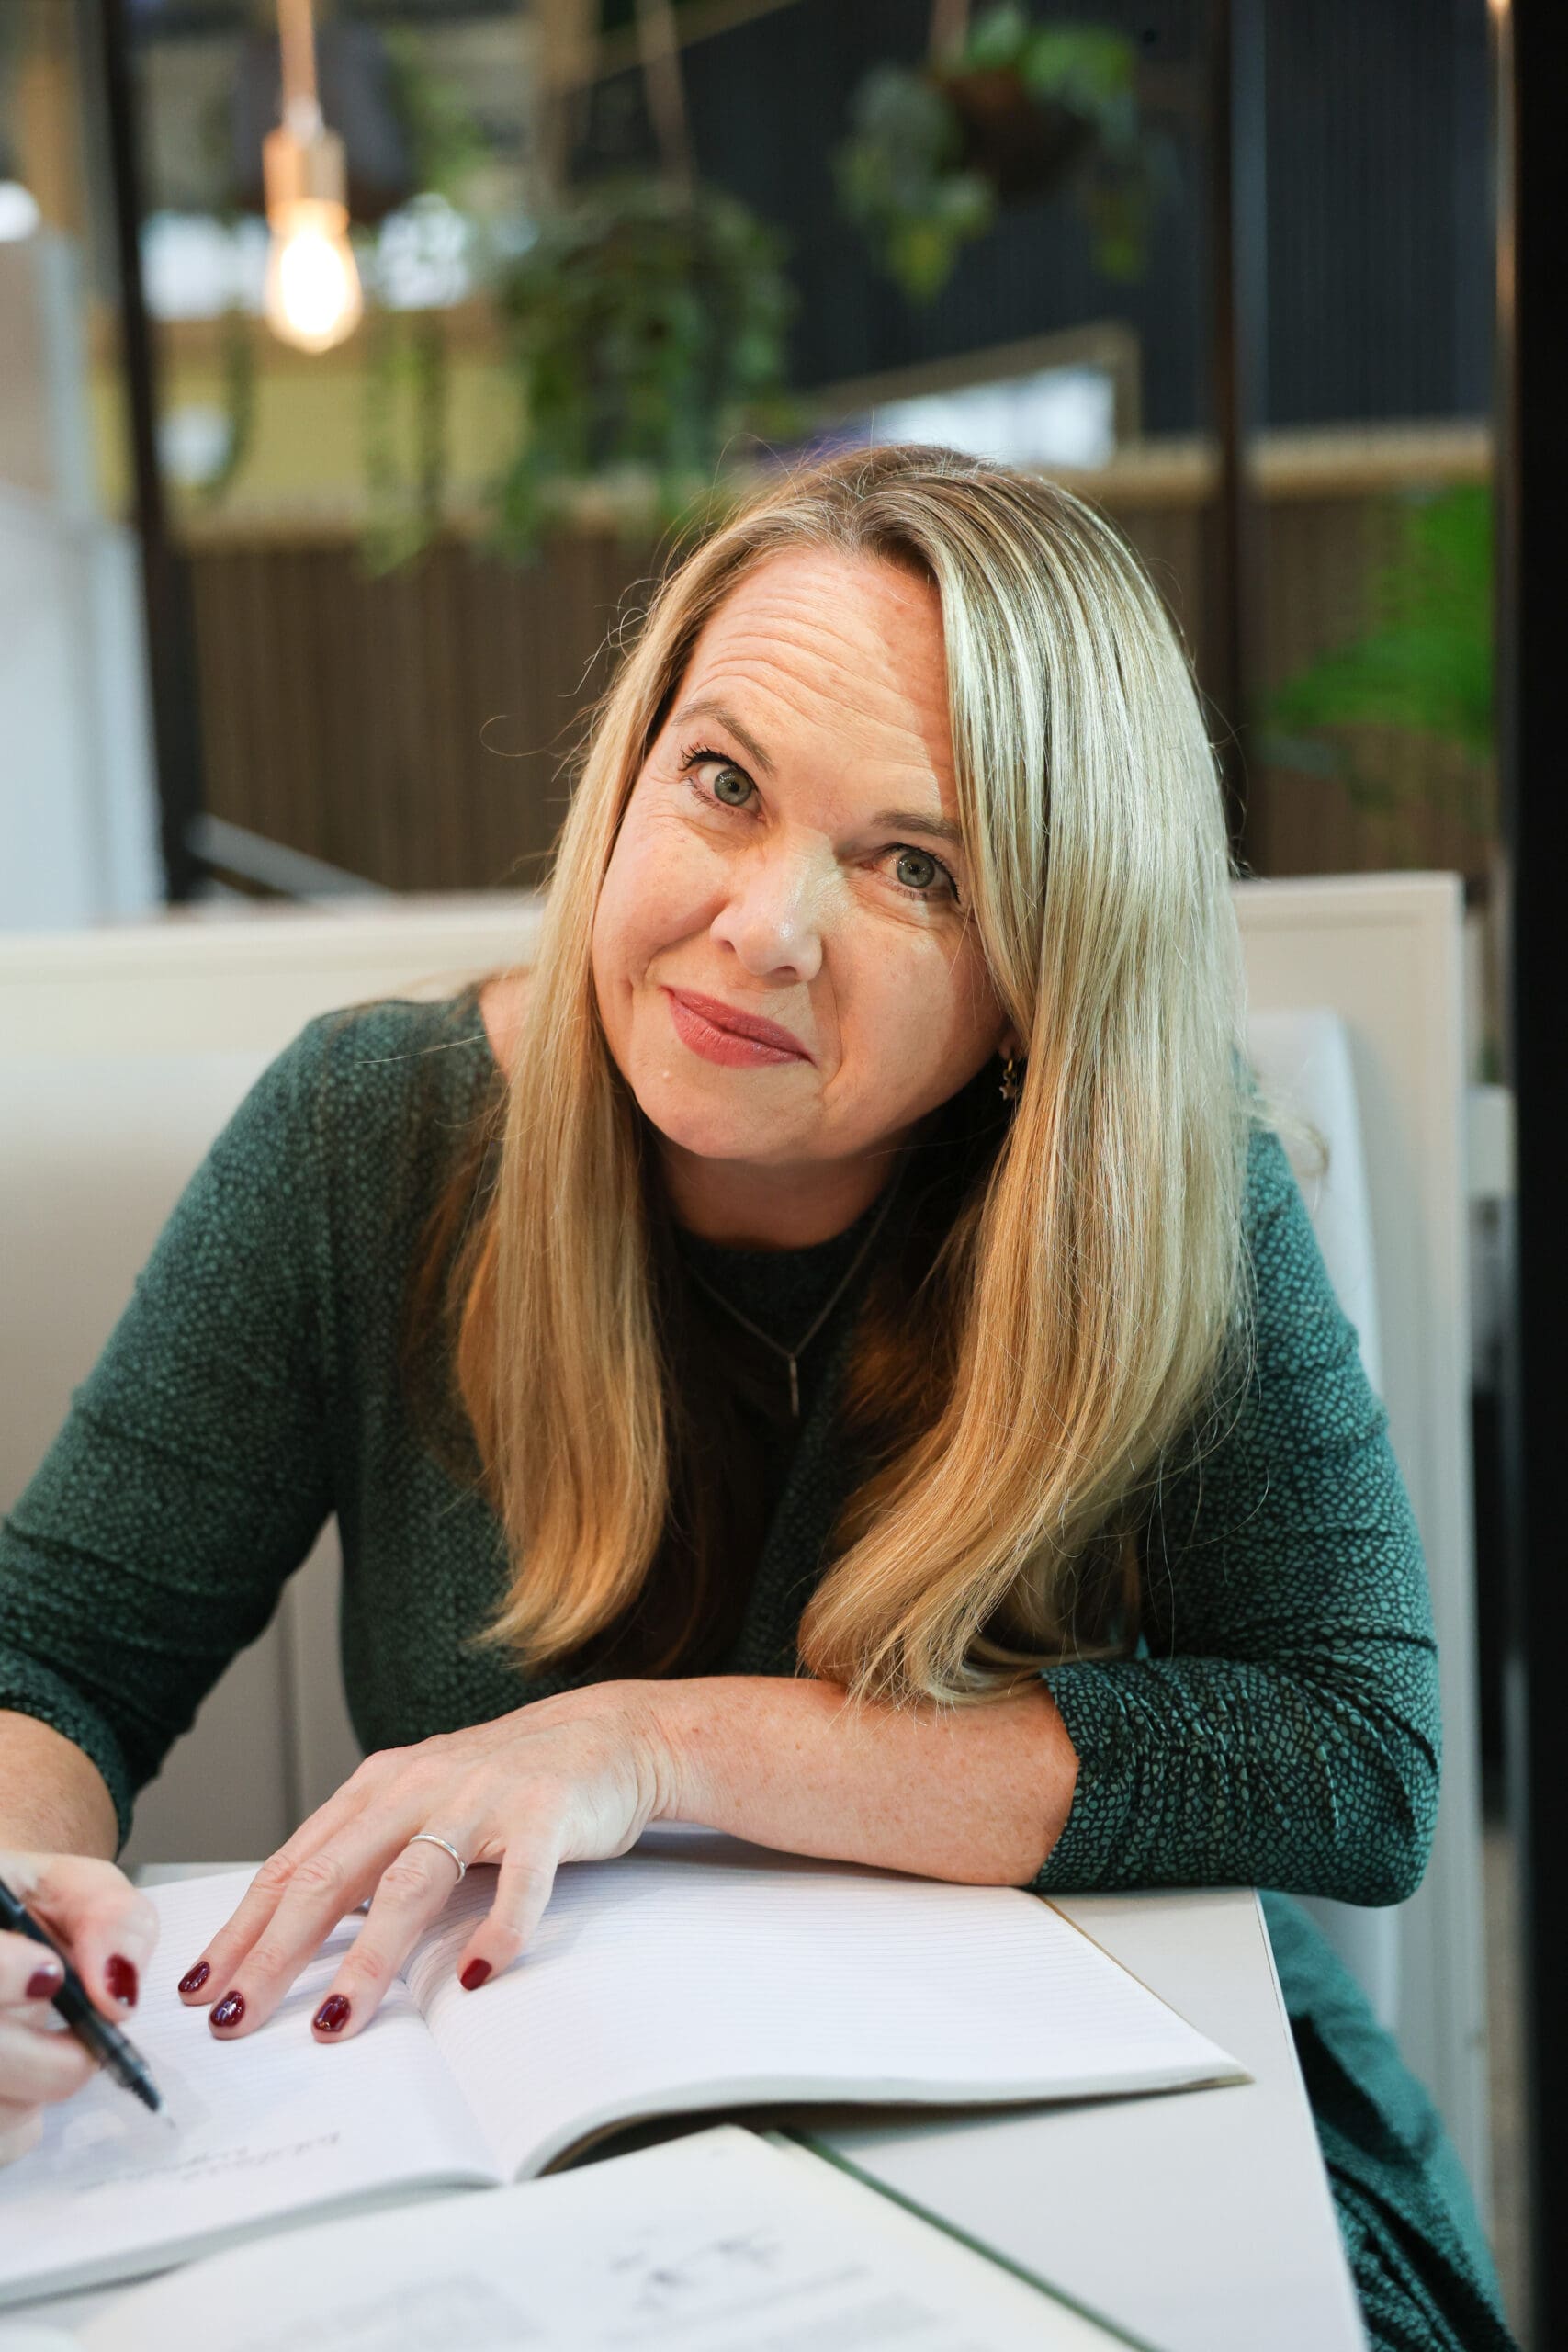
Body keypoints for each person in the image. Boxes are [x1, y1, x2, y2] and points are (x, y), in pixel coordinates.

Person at [0, 446, 1512, 2348]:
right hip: (542, 2185)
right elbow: (57, 1652)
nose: (762, 926)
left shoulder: (1154, 1174)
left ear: (1039, 970)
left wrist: (659, 1745)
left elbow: (1354, 1756)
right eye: (723, 781)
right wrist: (13, 1876)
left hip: (1111, 2123)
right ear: (631, 770)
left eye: (916, 867)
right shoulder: (365, 1136)